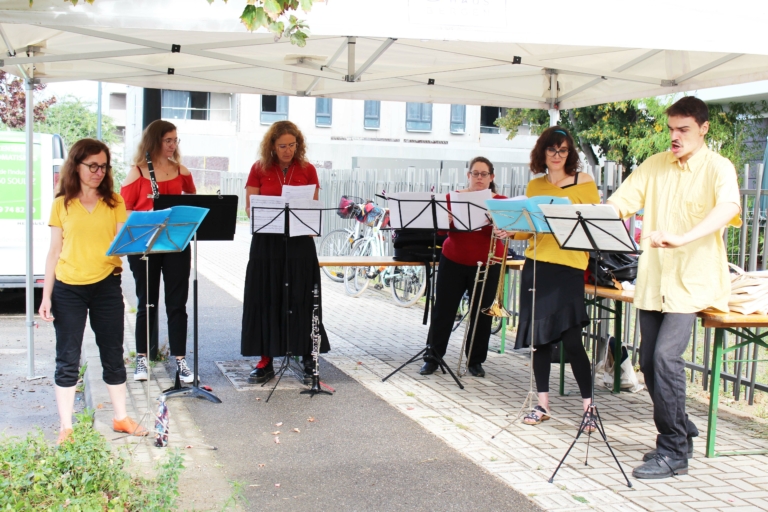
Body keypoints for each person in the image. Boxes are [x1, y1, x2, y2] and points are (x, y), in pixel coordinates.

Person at [607, 96, 741, 479]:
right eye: (671, 129)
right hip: (654, 281)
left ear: (703, 128)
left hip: (693, 281)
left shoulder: (719, 167)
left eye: (683, 129)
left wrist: (683, 238)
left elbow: (728, 207)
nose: (675, 137)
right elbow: (620, 203)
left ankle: (674, 450)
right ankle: (681, 423)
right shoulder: (654, 165)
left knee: (665, 358)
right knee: (648, 363)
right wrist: (580, 216)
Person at [39, 138, 147, 445]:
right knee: (67, 356)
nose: (98, 172)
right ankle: (66, 427)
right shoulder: (61, 204)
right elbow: (53, 252)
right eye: (92, 166)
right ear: (77, 165)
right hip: (67, 289)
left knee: (113, 352)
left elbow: (122, 247)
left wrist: (136, 242)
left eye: (103, 166)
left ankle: (121, 418)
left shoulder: (115, 202)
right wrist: (45, 297)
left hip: (106, 286)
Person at [510, 127, 599, 430]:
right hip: (537, 263)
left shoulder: (585, 182)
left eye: (563, 150)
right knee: (539, 341)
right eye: (552, 150)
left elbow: (593, 222)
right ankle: (542, 404)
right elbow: (528, 227)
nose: (557, 156)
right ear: (542, 152)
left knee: (573, 340)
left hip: (570, 264)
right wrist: (511, 229)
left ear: (570, 153)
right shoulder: (535, 184)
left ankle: (589, 407)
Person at [241, 120, 330, 384]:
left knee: (301, 297)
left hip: (299, 242)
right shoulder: (258, 169)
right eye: (282, 146)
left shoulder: (308, 170)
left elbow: (312, 207)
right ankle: (265, 358)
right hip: (267, 243)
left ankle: (307, 357)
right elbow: (249, 208)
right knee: (266, 296)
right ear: (272, 146)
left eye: (292, 145)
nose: (287, 150)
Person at [120, 120, 196, 384]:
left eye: (176, 140)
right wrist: (148, 215)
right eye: (168, 141)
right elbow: (123, 211)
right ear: (154, 142)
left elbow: (193, 204)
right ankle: (142, 358)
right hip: (146, 244)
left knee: (177, 305)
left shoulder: (182, 171)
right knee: (147, 303)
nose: (173, 145)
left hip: (175, 244)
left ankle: (180, 360)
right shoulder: (138, 173)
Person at [419, 156, 507, 378]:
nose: (479, 178)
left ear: (491, 177)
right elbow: (440, 232)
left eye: (484, 174)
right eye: (475, 173)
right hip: (454, 260)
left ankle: (475, 361)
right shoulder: (452, 198)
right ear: (468, 175)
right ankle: (433, 358)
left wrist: (504, 229)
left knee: (482, 315)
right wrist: (447, 220)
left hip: (488, 263)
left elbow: (511, 231)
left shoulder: (502, 201)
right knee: (444, 311)